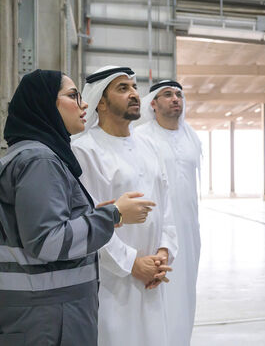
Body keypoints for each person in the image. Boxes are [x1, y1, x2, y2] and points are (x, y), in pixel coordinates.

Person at [0, 69, 155, 345]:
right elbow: (48, 241)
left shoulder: (32, 155)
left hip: (44, 312)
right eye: (73, 96)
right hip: (48, 318)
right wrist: (112, 215)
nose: (84, 105)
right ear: (46, 103)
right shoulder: (40, 161)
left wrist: (97, 217)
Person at [71, 66, 178, 346]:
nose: (134, 94)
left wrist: (164, 252)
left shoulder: (149, 146)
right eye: (122, 88)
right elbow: (88, 219)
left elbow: (166, 208)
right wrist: (132, 263)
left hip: (154, 277)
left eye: (134, 87)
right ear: (101, 102)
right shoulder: (83, 150)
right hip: (111, 283)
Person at [135, 80, 202, 346]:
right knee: (159, 294)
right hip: (157, 231)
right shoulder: (141, 137)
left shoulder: (191, 136)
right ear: (153, 103)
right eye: (167, 94)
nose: (175, 99)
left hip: (189, 230)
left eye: (178, 94)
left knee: (185, 292)